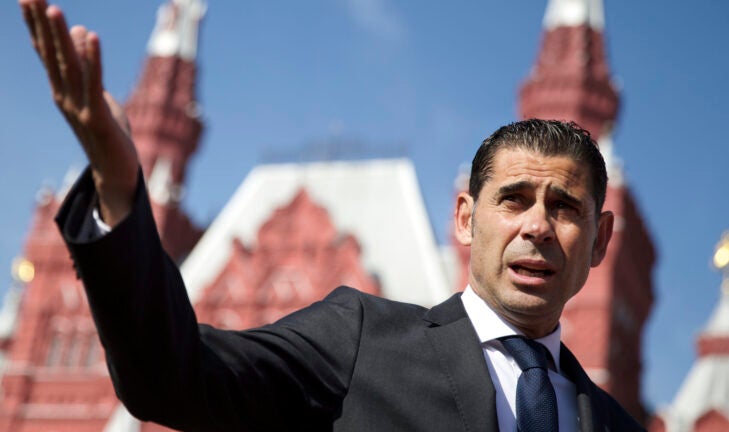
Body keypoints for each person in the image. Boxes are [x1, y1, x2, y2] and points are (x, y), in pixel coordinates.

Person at [19, 0, 645, 431]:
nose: (537, 224)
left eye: (564, 206)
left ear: (600, 240)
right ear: (464, 219)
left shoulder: (614, 423)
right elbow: (169, 376)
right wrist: (118, 185)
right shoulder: (362, 339)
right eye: (512, 199)